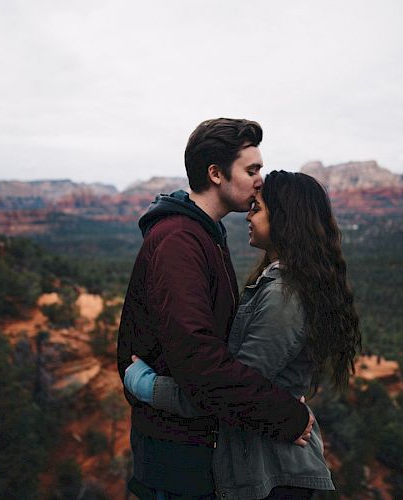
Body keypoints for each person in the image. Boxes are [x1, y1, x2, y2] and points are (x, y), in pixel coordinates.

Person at [125, 170, 362, 499]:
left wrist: (147, 385)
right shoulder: (280, 282)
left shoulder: (284, 295)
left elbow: (231, 391)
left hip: (274, 474)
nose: (248, 216)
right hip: (266, 465)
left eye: (257, 208)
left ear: (284, 220)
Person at [117, 119, 313, 500]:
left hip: (197, 445)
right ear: (216, 174)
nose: (261, 179)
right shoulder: (179, 240)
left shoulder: (205, 233)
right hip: (177, 457)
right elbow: (199, 360)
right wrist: (286, 414)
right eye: (251, 169)